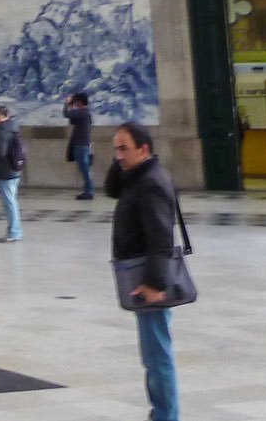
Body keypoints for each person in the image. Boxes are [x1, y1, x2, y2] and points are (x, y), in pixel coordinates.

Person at [108, 121, 181, 421]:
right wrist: (121, 162)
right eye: (115, 149)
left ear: (144, 149)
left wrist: (154, 283)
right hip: (141, 274)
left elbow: (160, 238)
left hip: (149, 280)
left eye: (124, 148)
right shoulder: (138, 176)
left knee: (157, 356)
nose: (118, 155)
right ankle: (161, 413)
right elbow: (111, 189)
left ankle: (165, 416)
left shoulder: (151, 183)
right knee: (152, 355)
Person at [0, 103, 26, 242]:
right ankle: (13, 230)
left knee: (9, 203)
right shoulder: (13, 125)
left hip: (5, 171)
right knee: (11, 201)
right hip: (15, 169)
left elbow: (0, 152)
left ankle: (14, 232)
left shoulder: (1, 130)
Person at [64, 93, 95, 199]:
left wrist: (67, 104)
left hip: (81, 145)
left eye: (76, 101)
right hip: (83, 144)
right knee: (85, 169)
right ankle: (88, 190)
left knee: (85, 169)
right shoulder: (85, 113)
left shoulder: (83, 112)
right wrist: (71, 106)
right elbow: (72, 120)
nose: (75, 103)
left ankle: (89, 191)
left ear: (80, 102)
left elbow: (67, 114)